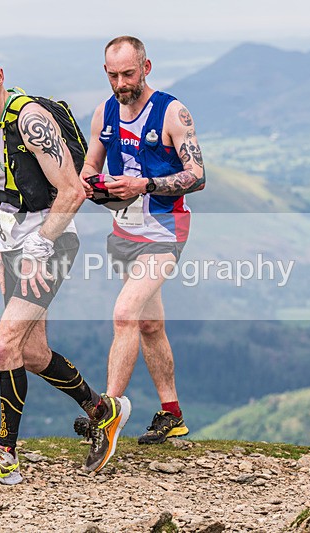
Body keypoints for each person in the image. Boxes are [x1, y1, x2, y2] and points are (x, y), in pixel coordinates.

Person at [0, 45, 131, 484]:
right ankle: (103, 411)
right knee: (31, 353)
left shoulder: (31, 121)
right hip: (12, 242)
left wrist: (40, 246)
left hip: (51, 240)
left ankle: (5, 456)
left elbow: (72, 190)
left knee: (4, 345)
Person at [78, 36, 205, 447]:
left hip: (165, 231)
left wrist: (144, 184)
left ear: (146, 68)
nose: (121, 83)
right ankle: (173, 414)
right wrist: (94, 184)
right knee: (150, 324)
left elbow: (198, 175)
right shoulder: (105, 112)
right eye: (113, 75)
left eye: (129, 74)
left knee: (124, 314)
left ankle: (107, 414)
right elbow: (90, 166)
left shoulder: (172, 112)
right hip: (124, 232)